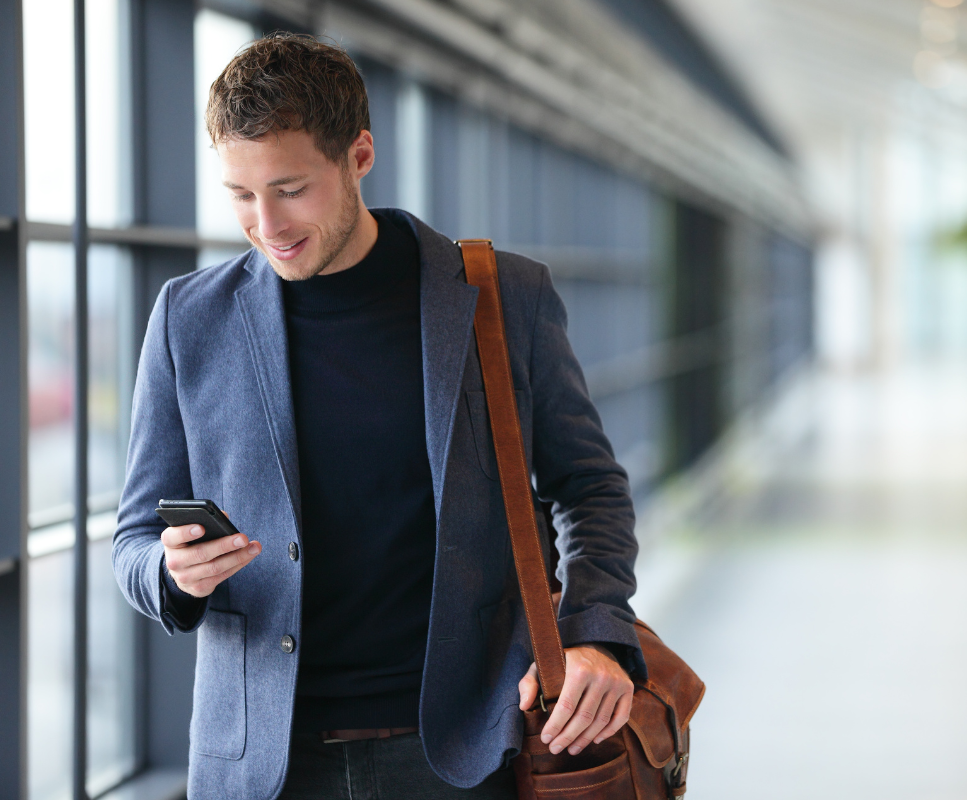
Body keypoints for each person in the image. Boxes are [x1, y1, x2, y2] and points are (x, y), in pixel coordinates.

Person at [112, 32, 642, 800]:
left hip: (461, 754)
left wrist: (596, 631)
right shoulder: (188, 320)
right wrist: (170, 572)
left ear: (359, 155)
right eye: (240, 195)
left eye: (291, 188)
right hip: (263, 765)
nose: (267, 224)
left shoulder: (499, 298)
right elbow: (131, 542)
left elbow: (589, 487)